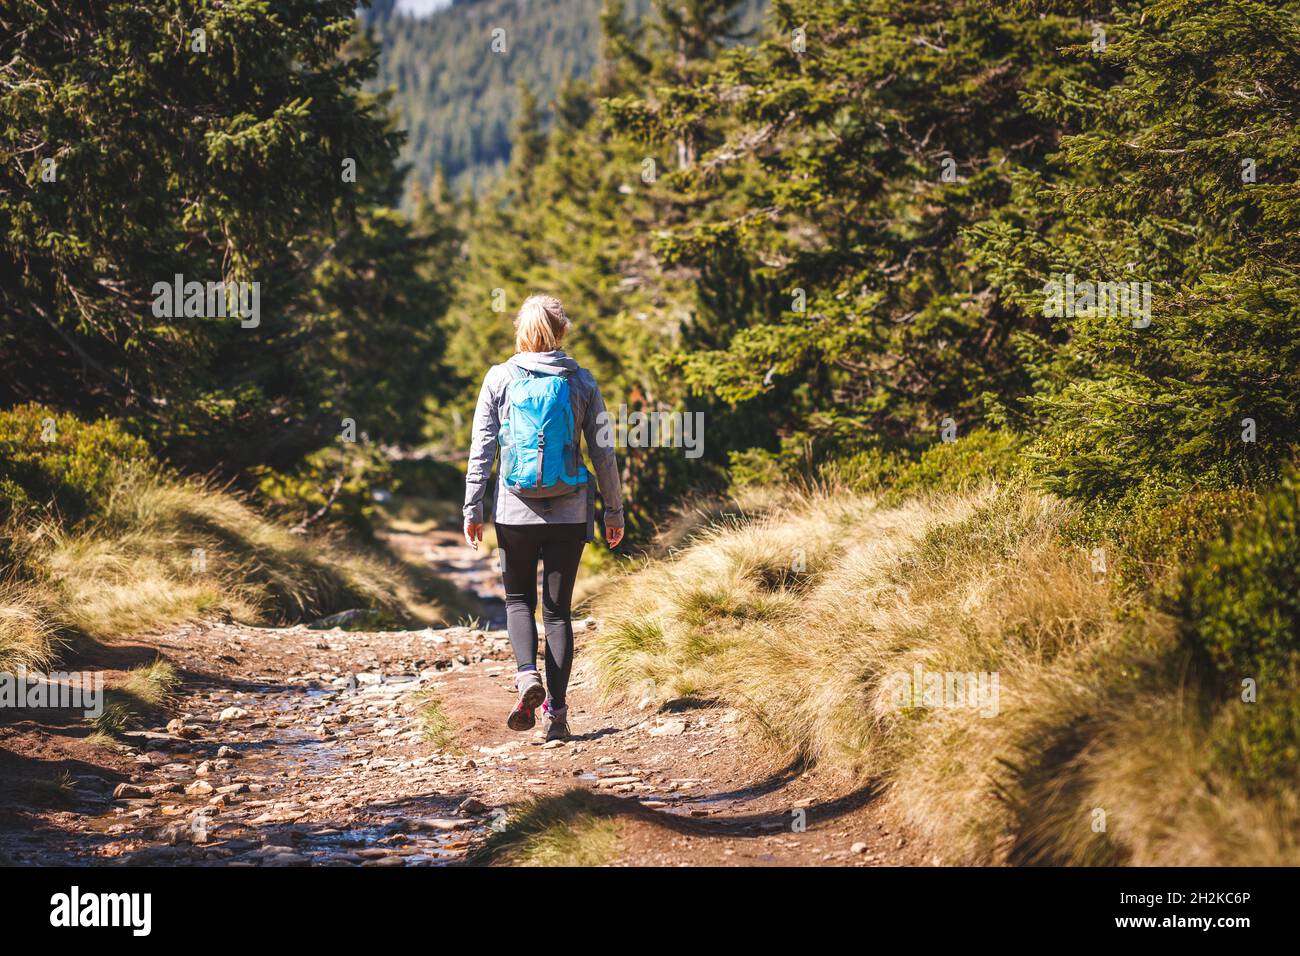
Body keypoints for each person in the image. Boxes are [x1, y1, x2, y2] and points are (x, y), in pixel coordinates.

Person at [463, 294, 624, 741]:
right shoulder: (583, 381)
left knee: (518, 601)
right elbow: (603, 452)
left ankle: (525, 675)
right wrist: (613, 510)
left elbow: (482, 450)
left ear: (521, 330)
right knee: (557, 613)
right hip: (570, 511)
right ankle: (556, 715)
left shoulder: (499, 378)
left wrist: (472, 509)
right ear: (562, 332)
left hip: (514, 510)